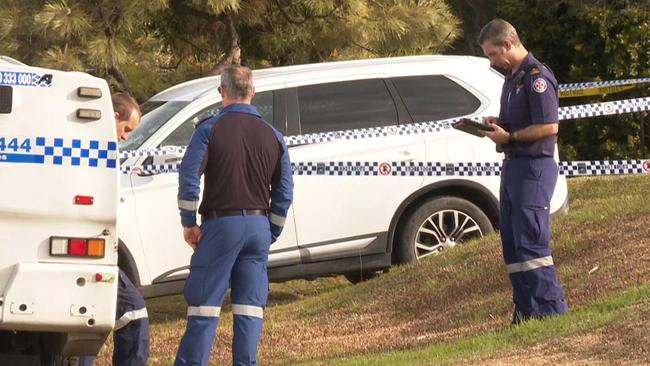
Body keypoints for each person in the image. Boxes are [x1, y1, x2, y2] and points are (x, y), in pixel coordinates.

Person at [174, 65, 294, 366]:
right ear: (252, 92)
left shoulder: (208, 129)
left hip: (220, 226)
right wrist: (271, 231)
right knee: (250, 309)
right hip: (258, 227)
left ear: (221, 91)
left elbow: (189, 179)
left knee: (204, 307)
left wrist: (189, 223)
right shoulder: (273, 135)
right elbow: (284, 192)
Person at [477, 19, 568, 323]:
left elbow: (548, 126)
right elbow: (520, 122)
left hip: (533, 168)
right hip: (513, 167)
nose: (493, 61)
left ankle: (551, 311)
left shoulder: (536, 77)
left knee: (531, 242)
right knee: (513, 244)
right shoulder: (512, 78)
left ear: (507, 44)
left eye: (492, 54)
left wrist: (511, 137)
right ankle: (526, 311)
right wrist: (499, 126)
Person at [77, 92, 150, 366]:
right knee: (133, 310)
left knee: (82, 319)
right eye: (126, 129)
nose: (125, 137)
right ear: (114, 116)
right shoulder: (94, 148)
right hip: (87, 249)